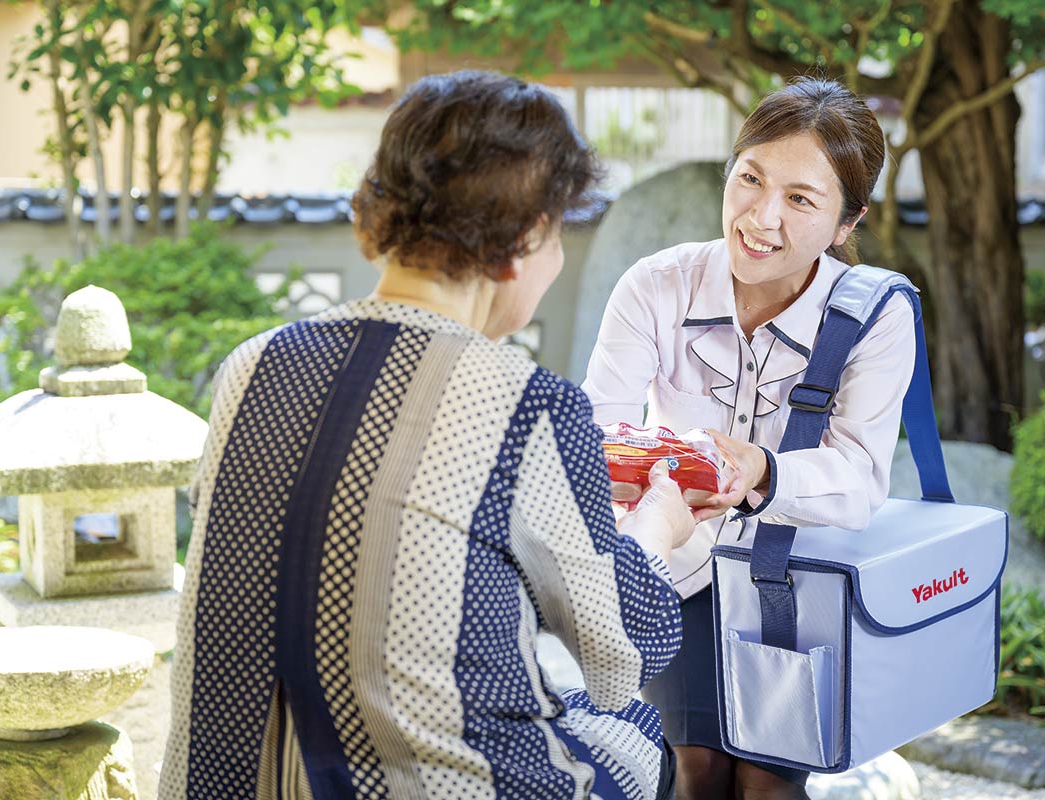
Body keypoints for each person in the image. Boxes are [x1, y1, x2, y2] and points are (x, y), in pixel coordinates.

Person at [162, 70, 697, 800]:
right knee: (632, 727)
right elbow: (624, 646)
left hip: (222, 783)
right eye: (559, 234)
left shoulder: (251, 365)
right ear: (522, 240)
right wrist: (658, 528)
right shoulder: (526, 405)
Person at [582, 78, 915, 800]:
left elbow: (859, 479)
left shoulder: (873, 317)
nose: (762, 218)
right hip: (683, 568)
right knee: (695, 769)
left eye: (801, 199)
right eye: (751, 179)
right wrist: (651, 488)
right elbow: (599, 435)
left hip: (798, 576)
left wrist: (763, 469)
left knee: (768, 781)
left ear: (847, 222)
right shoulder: (655, 286)